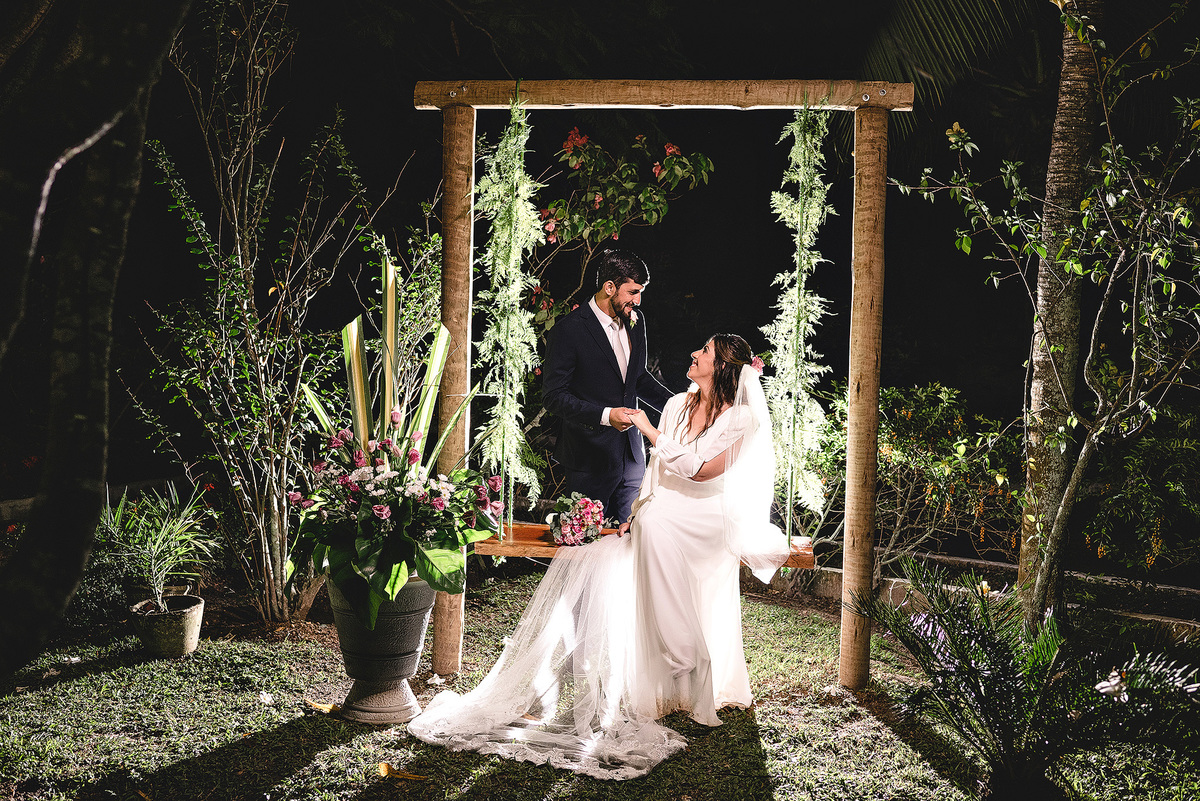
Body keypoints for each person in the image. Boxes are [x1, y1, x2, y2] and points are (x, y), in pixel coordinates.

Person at [408, 334, 792, 780]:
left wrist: (650, 433)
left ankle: (688, 656)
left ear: (722, 366)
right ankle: (673, 665)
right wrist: (637, 509)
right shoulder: (678, 404)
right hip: (667, 505)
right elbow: (658, 470)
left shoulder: (741, 417)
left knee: (654, 527)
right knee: (638, 530)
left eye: (704, 351)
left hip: (706, 512)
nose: (693, 353)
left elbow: (701, 472)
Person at [541, 249, 674, 524]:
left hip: (632, 457)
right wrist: (606, 415)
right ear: (609, 287)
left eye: (641, 292)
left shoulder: (636, 321)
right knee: (585, 541)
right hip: (588, 459)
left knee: (633, 536)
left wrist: (681, 404)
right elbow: (554, 396)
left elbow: (638, 379)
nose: (638, 301)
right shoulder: (568, 330)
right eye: (633, 292)